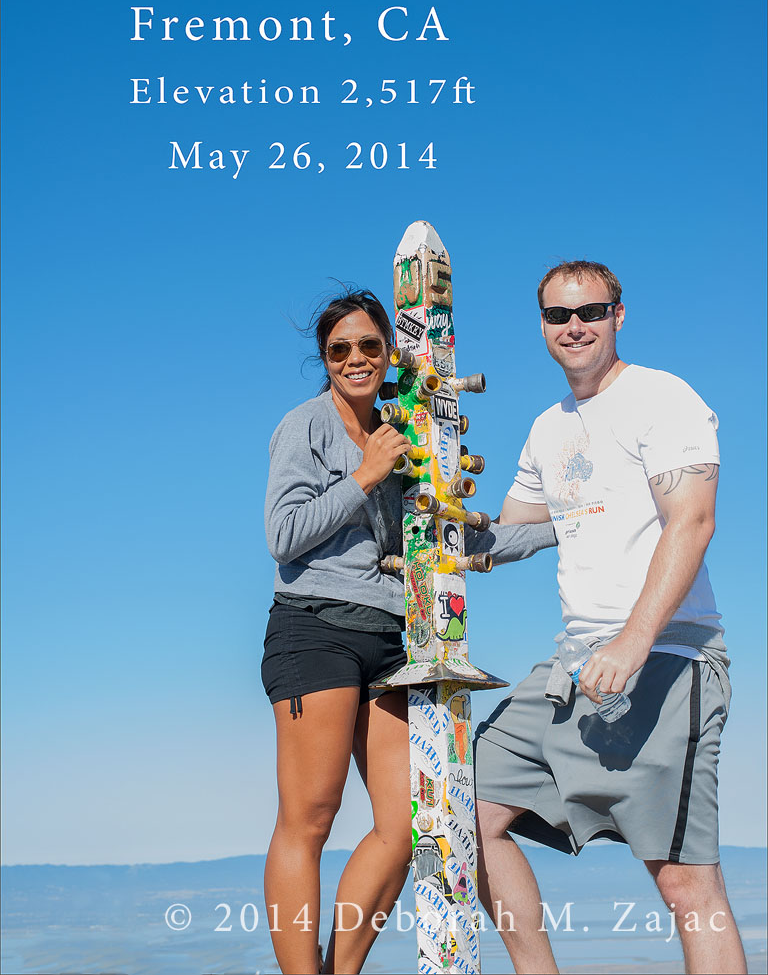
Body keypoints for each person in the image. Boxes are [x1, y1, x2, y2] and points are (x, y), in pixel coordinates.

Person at [262, 287, 558, 975]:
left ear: (389, 354)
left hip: (395, 642)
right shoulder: (305, 427)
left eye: (370, 346)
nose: (356, 359)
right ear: (325, 359)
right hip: (315, 631)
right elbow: (283, 536)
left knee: (405, 827)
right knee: (310, 819)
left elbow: (449, 533)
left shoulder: (407, 435)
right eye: (340, 350)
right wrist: (365, 475)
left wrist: (564, 530)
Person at [474, 260, 747, 975]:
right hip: (574, 663)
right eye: (560, 316)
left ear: (618, 316)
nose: (576, 327)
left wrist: (634, 640)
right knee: (464, 808)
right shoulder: (547, 428)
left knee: (684, 881)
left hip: (667, 657)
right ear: (542, 326)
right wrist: (436, 518)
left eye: (590, 312)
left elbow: (692, 521)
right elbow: (516, 530)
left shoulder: (664, 398)